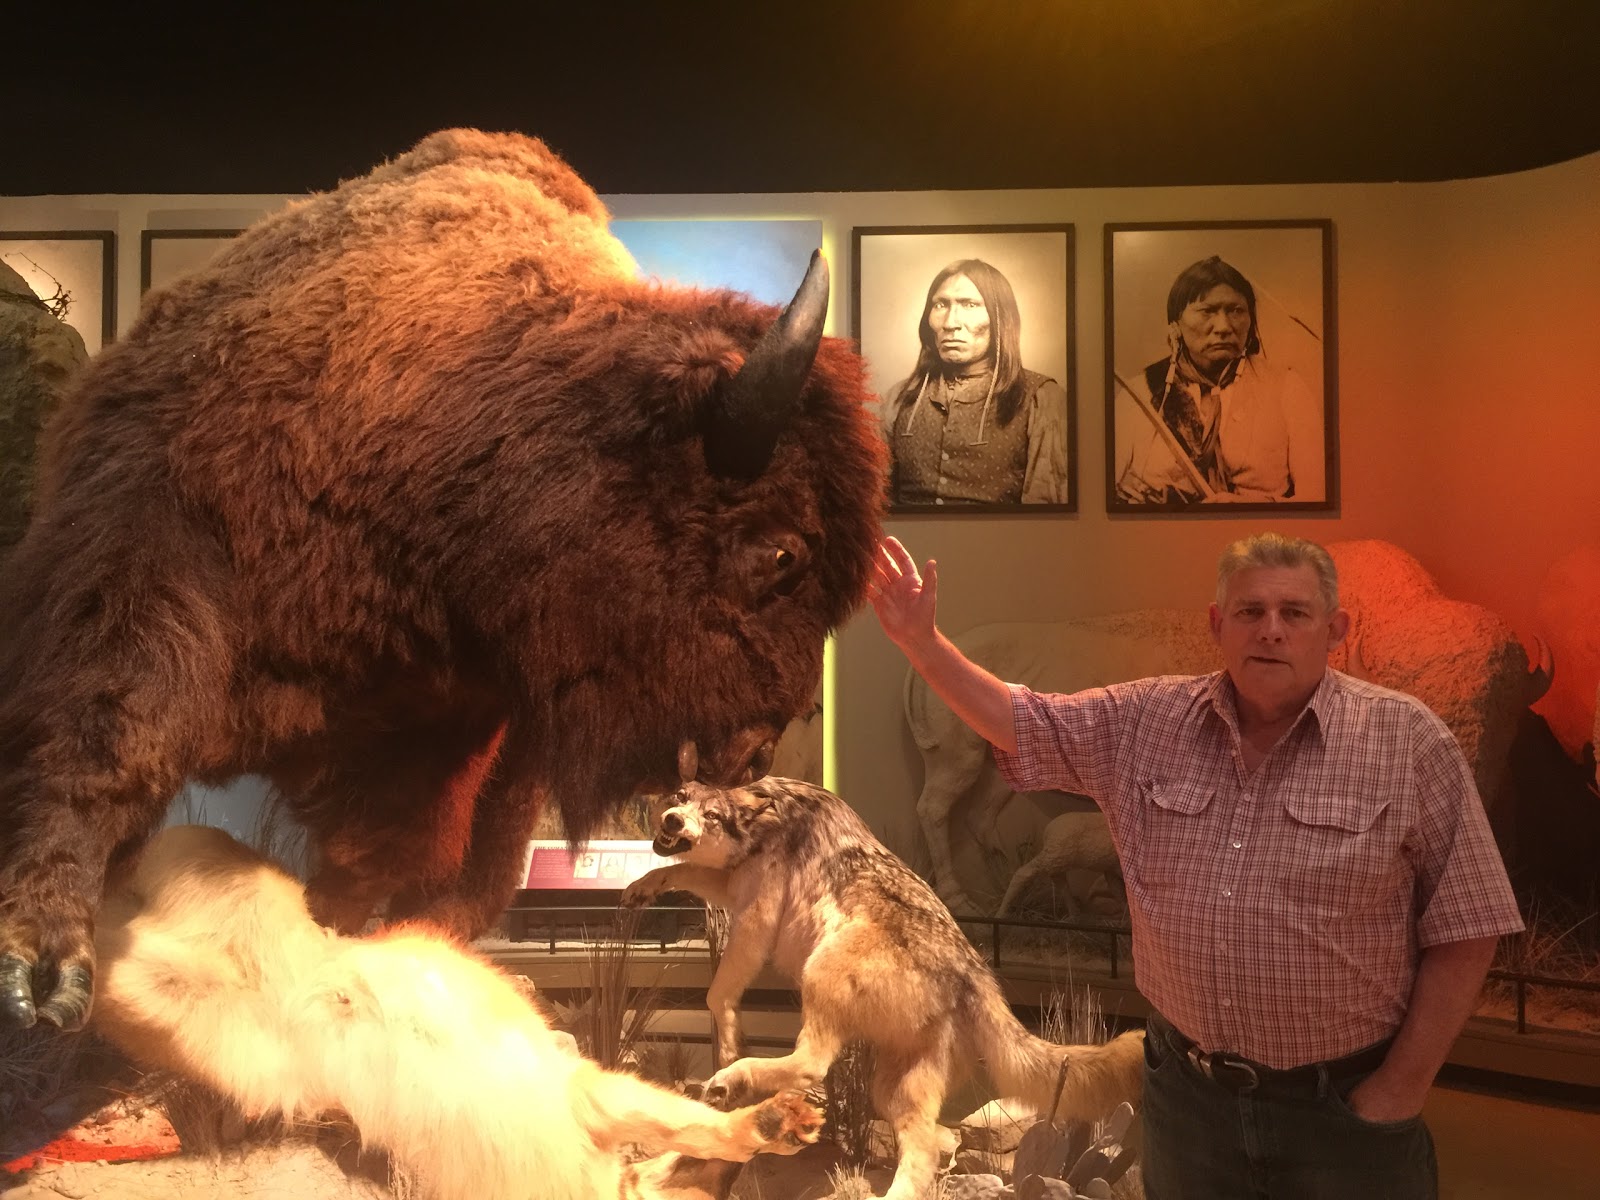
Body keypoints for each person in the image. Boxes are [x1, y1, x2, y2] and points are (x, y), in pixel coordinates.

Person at [869, 532, 1523, 1199]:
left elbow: (1469, 924)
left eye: (1295, 613)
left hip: (1342, 1114)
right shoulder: (1147, 721)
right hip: (1188, 1109)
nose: (1270, 630)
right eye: (1250, 611)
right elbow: (1025, 721)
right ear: (1217, 625)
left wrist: (1400, 1088)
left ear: (1335, 629)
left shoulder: (1407, 741)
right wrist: (923, 644)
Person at [1114, 255, 1323, 505]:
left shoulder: (1286, 388)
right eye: (1207, 311)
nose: (1223, 326)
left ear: (1251, 322)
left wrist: (1248, 507)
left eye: (1236, 311)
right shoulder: (1142, 393)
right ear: (1175, 325)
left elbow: (1316, 498)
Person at [882, 258, 1069, 506]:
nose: (950, 323)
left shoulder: (1040, 397)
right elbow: (873, 505)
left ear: (1000, 318)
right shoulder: (900, 398)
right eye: (940, 304)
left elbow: (1047, 513)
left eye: (969, 304)